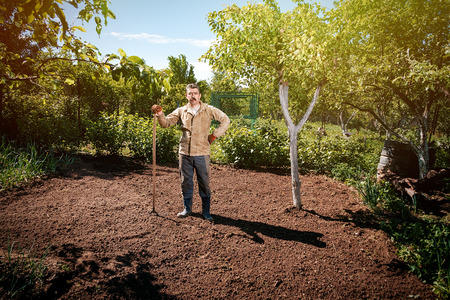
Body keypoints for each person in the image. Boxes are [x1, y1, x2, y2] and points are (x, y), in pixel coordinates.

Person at [152, 83, 230, 221]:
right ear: (186, 95)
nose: (192, 96)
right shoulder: (181, 110)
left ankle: (206, 212)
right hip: (185, 153)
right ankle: (187, 209)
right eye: (190, 93)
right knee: (186, 182)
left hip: (202, 152)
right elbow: (166, 123)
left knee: (204, 183)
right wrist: (160, 114)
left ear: (199, 95)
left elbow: (225, 120)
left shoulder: (209, 110)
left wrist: (214, 135)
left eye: (195, 93)